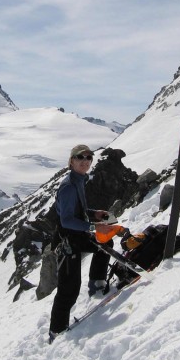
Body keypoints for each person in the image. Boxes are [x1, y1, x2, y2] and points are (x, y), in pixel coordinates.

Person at [48, 144, 118, 342]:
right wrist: (94, 226)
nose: (85, 161)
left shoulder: (78, 180)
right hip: (67, 242)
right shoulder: (69, 186)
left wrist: (94, 214)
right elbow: (66, 220)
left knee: (105, 245)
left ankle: (97, 282)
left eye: (88, 158)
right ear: (71, 161)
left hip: (77, 236)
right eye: (80, 157)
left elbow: (76, 211)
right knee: (69, 289)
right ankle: (56, 331)